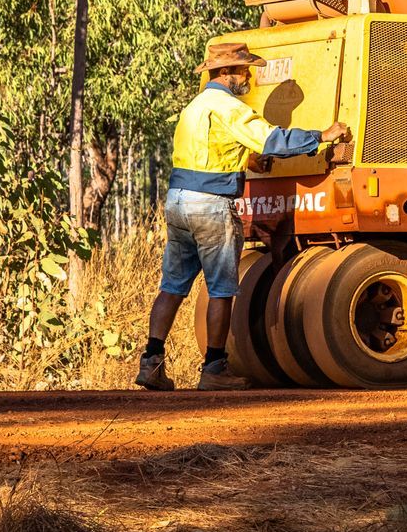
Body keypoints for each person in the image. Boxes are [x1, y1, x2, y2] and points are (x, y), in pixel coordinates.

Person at [137, 42, 349, 390]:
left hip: (178, 201)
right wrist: (321, 137)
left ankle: (151, 363)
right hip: (210, 205)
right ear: (225, 73)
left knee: (172, 286)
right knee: (221, 289)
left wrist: (246, 160)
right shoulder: (229, 107)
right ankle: (214, 369)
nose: (248, 76)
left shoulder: (195, 107)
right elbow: (271, 140)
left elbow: (207, 149)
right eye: (243, 70)